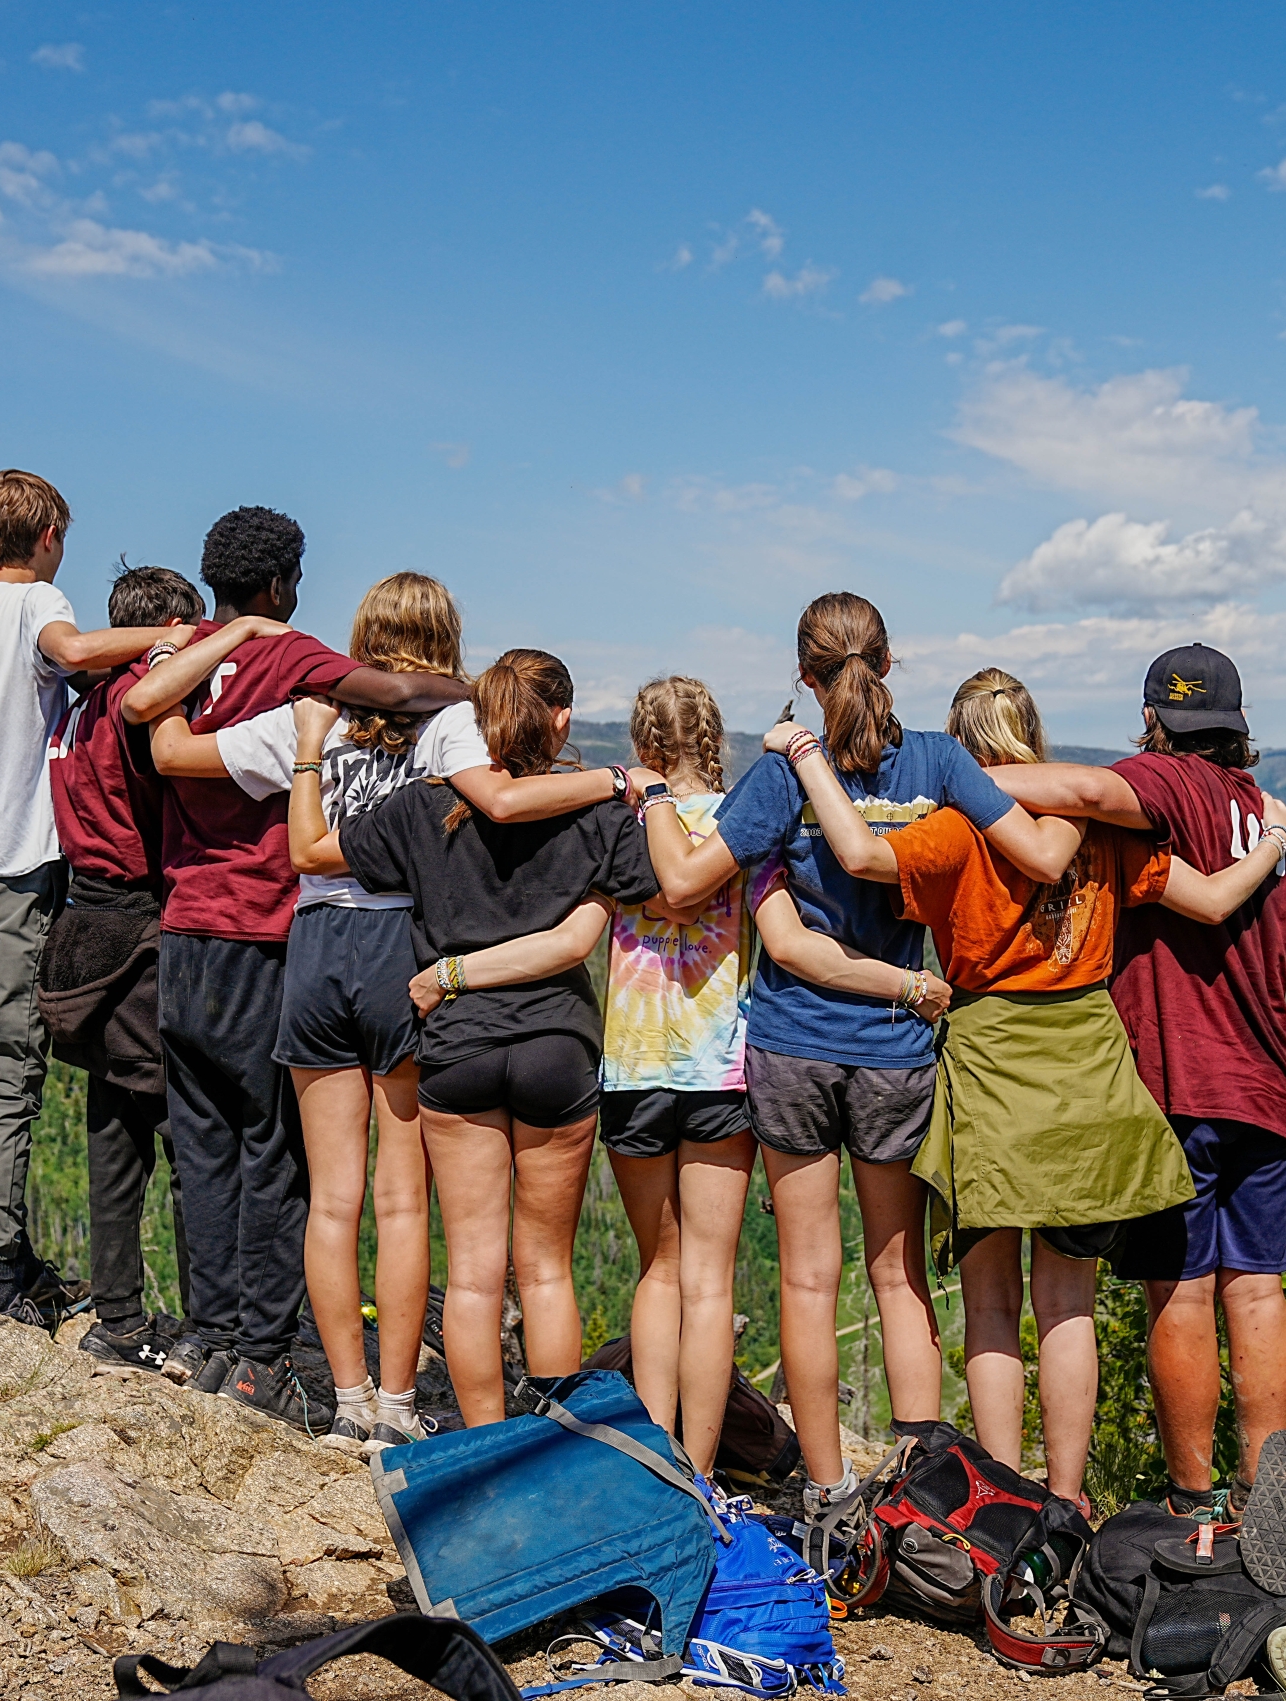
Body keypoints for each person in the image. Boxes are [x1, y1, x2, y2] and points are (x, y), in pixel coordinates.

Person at [761, 667, 1286, 1507]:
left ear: (961, 748)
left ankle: (1004, 1500)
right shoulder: (1101, 832)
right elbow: (1216, 899)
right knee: (1068, 1305)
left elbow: (860, 862)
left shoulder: (949, 831)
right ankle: (1072, 1499)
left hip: (988, 1061)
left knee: (991, 1306)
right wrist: (1273, 840)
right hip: (1087, 1068)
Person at [627, 592, 1083, 1515]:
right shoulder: (938, 759)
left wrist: (653, 798)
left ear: (804, 673)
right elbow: (1033, 850)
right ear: (891, 659)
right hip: (897, 1046)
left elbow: (682, 884)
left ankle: (828, 1487)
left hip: (794, 1044)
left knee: (808, 1274)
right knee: (897, 1272)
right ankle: (919, 1488)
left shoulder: (786, 769)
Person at [143, 507, 472, 1425]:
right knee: (399, 1198)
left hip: (306, 947)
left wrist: (179, 659)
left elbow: (171, 752)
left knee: (325, 1191)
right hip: (397, 950)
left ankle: (331, 1389)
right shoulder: (449, 729)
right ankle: (394, 1399)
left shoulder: (304, 715)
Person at [979, 642, 1286, 1522]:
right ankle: (1265, 1489)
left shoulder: (1162, 786)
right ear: (1236, 726)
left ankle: (1194, 1499)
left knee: (1185, 1290)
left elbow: (1085, 794)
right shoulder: (1267, 818)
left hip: (1181, 1078)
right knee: (1260, 1286)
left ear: (1156, 721)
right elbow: (1281, 957)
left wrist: (958, 772)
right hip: (1269, 1080)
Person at [334, 650, 663, 1427]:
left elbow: (323, 851)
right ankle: (553, 1448)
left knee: (475, 1275)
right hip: (558, 1042)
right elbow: (645, 898)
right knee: (546, 1269)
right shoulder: (598, 815)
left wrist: (313, 750)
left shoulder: (423, 807)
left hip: (458, 1047)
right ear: (562, 722)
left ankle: (485, 1449)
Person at [0, 469, 178, 1328]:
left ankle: (6, 1252)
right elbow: (72, 654)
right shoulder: (35, 605)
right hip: (12, 874)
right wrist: (170, 636)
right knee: (5, 1079)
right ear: (48, 537)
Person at [41, 562, 290, 1370]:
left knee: (113, 1130)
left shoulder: (76, 708)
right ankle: (200, 1323)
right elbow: (169, 807)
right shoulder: (133, 713)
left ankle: (119, 1311)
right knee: (193, 1136)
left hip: (82, 924)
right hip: (145, 925)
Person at [595, 677, 754, 1474]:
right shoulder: (740, 822)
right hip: (719, 1062)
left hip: (632, 1061)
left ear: (642, 741)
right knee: (708, 1281)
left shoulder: (620, 821)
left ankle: (651, 1459)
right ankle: (701, 1465)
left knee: (657, 1268)